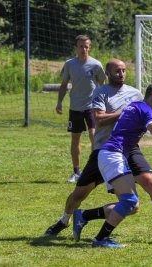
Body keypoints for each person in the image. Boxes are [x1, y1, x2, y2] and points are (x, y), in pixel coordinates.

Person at [45, 60, 152, 242]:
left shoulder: (135, 93)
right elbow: (99, 120)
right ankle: (64, 220)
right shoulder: (101, 92)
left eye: (124, 70)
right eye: (117, 71)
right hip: (105, 148)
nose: (121, 73)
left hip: (129, 148)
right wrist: (126, 111)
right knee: (80, 194)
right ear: (108, 73)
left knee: (147, 185)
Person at [80, 80, 152, 248]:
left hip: (114, 155)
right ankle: (99, 239)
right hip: (113, 155)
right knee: (129, 201)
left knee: (132, 204)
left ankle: (84, 217)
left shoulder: (137, 106)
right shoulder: (145, 109)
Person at [56, 35, 106, 183]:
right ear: (76, 48)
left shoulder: (96, 65)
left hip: (92, 107)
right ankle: (76, 172)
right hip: (75, 107)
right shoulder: (70, 64)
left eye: (86, 46)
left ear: (89, 47)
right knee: (75, 139)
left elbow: (103, 86)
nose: (84, 49)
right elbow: (64, 84)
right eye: (81, 46)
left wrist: (105, 104)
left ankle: (94, 169)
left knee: (94, 136)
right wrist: (59, 102)